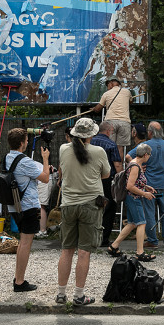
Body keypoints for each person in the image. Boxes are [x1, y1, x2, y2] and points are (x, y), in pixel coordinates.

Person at [56, 118, 111, 306]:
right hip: (90, 204)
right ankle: (79, 295)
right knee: (84, 252)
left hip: (68, 204)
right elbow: (106, 174)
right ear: (92, 134)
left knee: (66, 250)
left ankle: (61, 293)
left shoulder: (63, 149)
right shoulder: (99, 151)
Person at [4, 128, 50, 292]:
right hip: (28, 206)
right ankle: (19, 282)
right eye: (26, 140)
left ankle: (18, 277)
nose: (28, 142)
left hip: (14, 206)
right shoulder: (24, 161)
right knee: (25, 243)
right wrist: (45, 159)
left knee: (23, 242)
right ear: (22, 142)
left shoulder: (8, 158)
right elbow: (45, 178)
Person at [127, 122, 164, 249]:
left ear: (150, 132)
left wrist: (138, 166)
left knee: (149, 212)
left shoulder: (145, 145)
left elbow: (128, 156)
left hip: (149, 184)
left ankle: (152, 240)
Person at [107, 143, 157, 261]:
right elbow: (130, 186)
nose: (149, 157)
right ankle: (140, 252)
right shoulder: (135, 166)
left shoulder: (133, 163)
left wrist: (145, 186)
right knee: (141, 223)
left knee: (132, 223)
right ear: (145, 155)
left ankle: (114, 246)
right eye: (149, 155)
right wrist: (144, 193)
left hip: (132, 197)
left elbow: (134, 182)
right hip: (134, 198)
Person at [91, 121, 123, 247]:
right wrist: (121, 180)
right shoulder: (111, 144)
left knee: (92, 206)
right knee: (109, 208)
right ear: (109, 131)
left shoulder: (90, 142)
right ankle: (103, 239)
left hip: (91, 179)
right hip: (107, 180)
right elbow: (117, 164)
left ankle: (89, 236)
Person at [93, 78, 133, 159]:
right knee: (120, 148)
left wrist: (93, 109)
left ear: (111, 83)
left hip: (110, 123)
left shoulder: (106, 94)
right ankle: (120, 170)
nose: (107, 87)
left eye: (108, 85)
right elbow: (131, 101)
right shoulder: (127, 92)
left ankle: (109, 170)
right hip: (124, 122)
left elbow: (98, 109)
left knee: (108, 146)